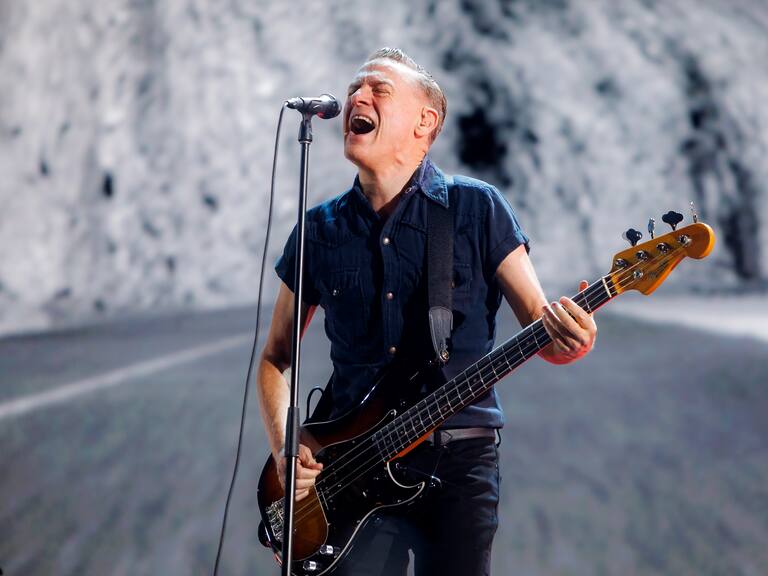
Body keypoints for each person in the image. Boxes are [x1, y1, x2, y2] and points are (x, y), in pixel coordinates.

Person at [257, 47, 597, 576]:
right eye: (353, 90)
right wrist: (286, 448)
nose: (356, 99)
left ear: (425, 121)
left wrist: (572, 337)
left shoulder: (477, 207)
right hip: (347, 470)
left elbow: (542, 328)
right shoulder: (317, 231)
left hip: (460, 463)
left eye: (377, 90)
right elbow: (276, 357)